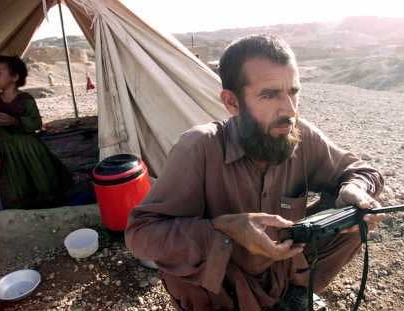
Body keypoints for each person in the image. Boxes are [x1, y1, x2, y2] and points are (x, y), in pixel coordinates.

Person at [125, 35, 384, 310]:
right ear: (232, 102)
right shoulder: (199, 147)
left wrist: (354, 188)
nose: (290, 110)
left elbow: (361, 171)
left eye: (293, 92)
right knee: (183, 267)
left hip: (284, 266)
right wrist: (225, 230)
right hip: (223, 282)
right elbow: (140, 235)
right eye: (269, 95)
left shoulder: (299, 135)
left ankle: (296, 293)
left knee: (354, 213)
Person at [0, 55, 71, 209]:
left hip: (29, 148)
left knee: (40, 176)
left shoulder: (25, 99)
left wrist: (15, 121)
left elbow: (36, 123)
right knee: (17, 180)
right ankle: (26, 207)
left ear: (15, 76)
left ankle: (49, 204)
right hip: (8, 149)